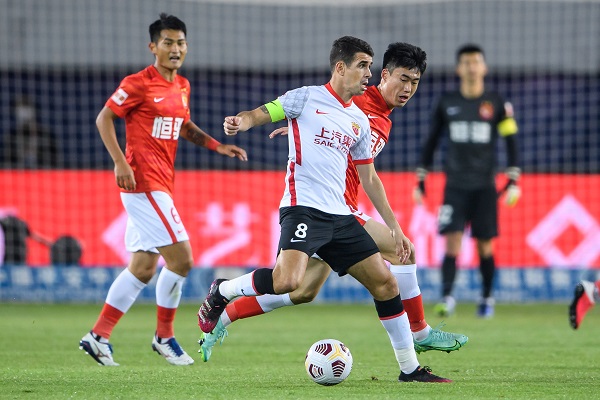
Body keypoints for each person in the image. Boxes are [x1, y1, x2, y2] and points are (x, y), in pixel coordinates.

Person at [197, 36, 451, 383]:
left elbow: (369, 176)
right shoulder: (315, 97)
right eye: (365, 67)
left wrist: (395, 226)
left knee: (340, 288)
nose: (406, 88)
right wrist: (243, 122)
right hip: (305, 208)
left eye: (414, 83)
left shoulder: (360, 120)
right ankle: (223, 291)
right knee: (288, 281)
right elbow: (261, 113)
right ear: (343, 67)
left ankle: (410, 369)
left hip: (341, 214)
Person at [78, 13, 247, 367]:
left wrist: (218, 146)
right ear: (153, 47)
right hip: (142, 183)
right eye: (168, 42)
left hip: (162, 183)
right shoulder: (138, 83)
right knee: (182, 260)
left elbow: (183, 126)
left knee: (142, 267)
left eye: (180, 43)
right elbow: (104, 118)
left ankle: (98, 336)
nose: (175, 49)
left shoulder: (182, 86)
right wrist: (120, 162)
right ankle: (164, 337)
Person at [413, 44, 521, 319]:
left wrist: (513, 178)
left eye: (476, 62)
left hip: (485, 186)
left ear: (484, 67)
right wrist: (421, 178)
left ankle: (486, 298)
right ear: (458, 69)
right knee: (452, 241)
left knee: (485, 245)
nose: (472, 67)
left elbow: (511, 141)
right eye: (466, 62)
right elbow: (431, 141)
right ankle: (447, 297)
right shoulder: (447, 103)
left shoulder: (497, 103)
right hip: (455, 186)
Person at [0, 95, 60, 168]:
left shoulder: (46, 136)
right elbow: (6, 162)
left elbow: (54, 161)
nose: (23, 112)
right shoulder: (11, 137)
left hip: (42, 172)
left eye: (26, 106)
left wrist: (35, 153)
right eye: (20, 107)